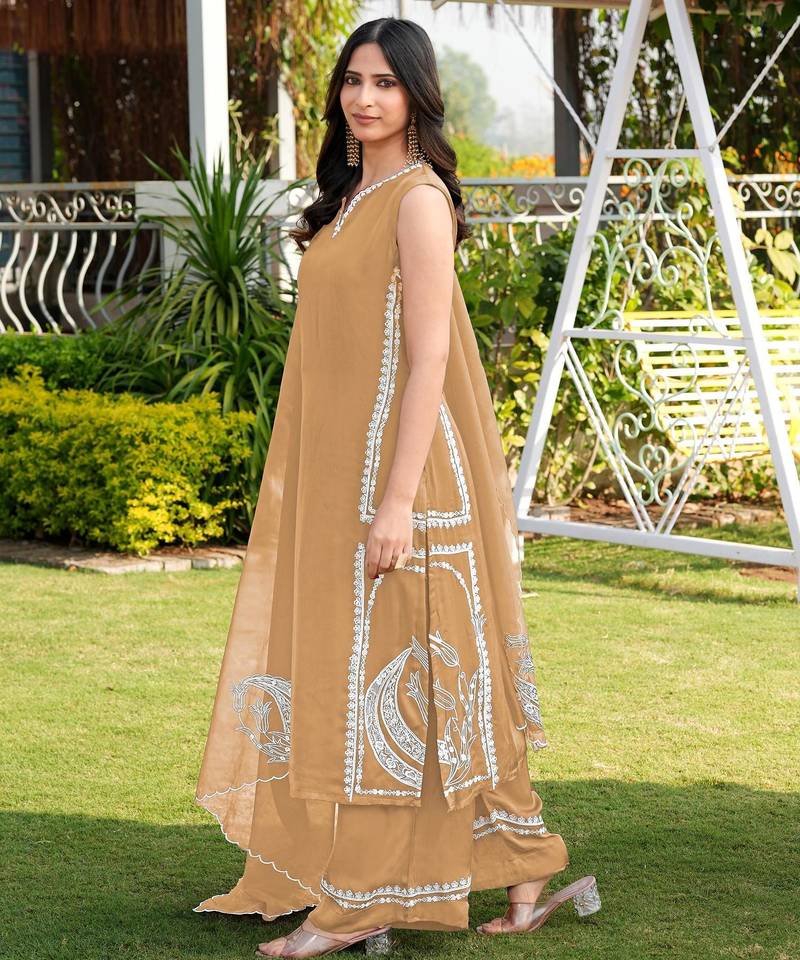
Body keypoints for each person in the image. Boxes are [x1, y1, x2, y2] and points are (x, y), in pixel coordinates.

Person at [192, 16, 600, 959]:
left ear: (417, 94)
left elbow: (428, 363)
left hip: (406, 479)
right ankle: (526, 859)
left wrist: (397, 504)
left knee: (397, 680)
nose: (364, 98)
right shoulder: (348, 200)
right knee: (443, 679)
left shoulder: (418, 201)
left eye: (384, 82)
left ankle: (363, 902)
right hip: (344, 476)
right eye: (353, 80)